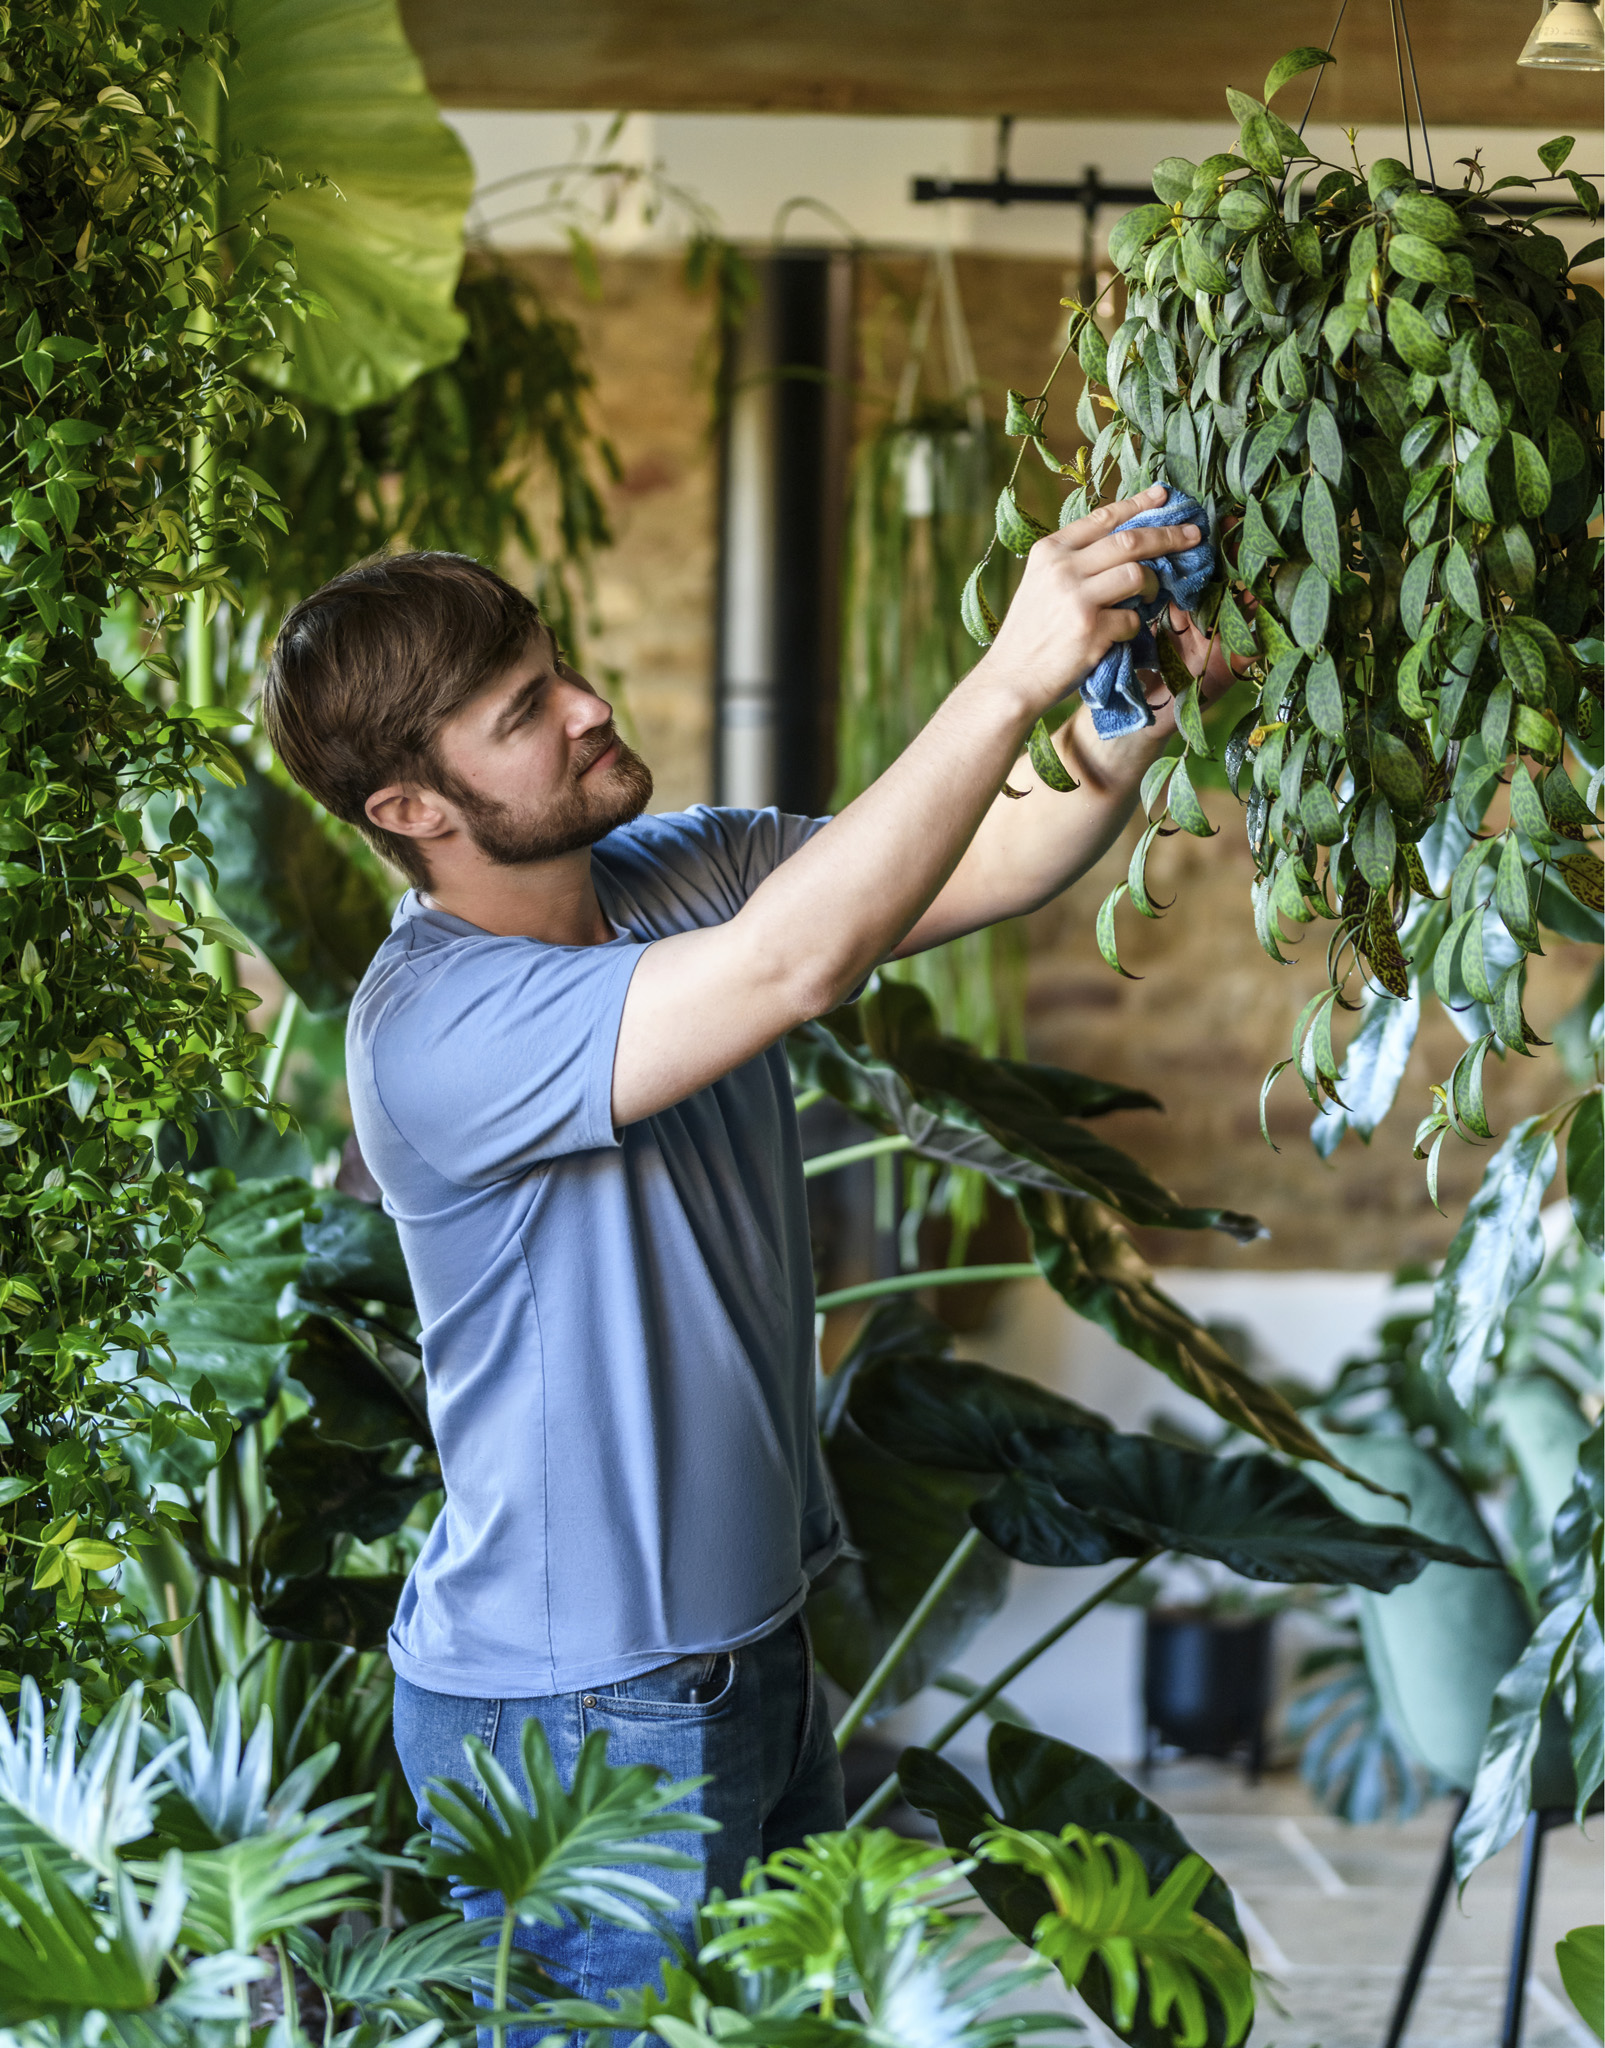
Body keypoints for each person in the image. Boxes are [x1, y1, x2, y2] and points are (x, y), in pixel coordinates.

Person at [259, 482, 1231, 2021]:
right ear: (411, 809)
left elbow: (987, 857)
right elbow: (801, 958)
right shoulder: (435, 1028)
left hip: (743, 1655)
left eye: (557, 665)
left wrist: (1132, 697)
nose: (584, 705)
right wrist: (1005, 669)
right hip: (578, 1719)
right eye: (524, 711)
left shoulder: (674, 875)